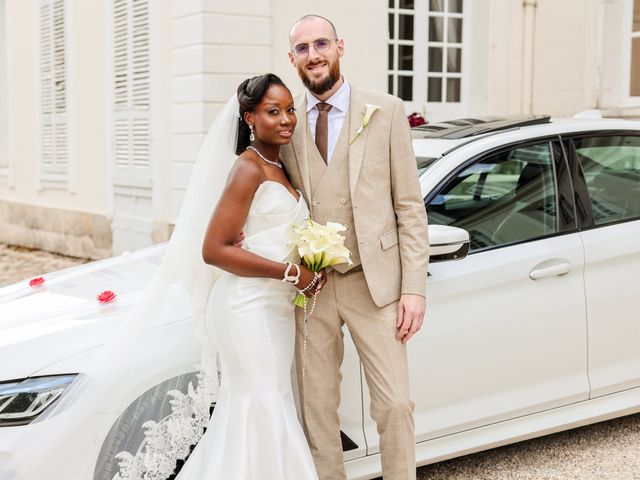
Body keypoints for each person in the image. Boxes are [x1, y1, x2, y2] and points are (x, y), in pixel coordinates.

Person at [281, 15, 430, 480]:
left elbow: (409, 206)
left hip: (376, 283)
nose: (314, 55)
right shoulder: (284, 124)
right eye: (303, 49)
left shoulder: (384, 110)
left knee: (395, 404)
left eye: (321, 43)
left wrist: (414, 289)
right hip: (313, 290)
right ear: (293, 59)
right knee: (317, 409)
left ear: (340, 47)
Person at [174, 73, 323, 479]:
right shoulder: (248, 168)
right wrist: (293, 272)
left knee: (265, 402)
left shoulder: (281, 166)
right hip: (246, 306)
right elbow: (214, 249)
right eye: (273, 112)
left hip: (273, 305)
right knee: (263, 403)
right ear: (249, 118)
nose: (286, 119)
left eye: (290, 110)